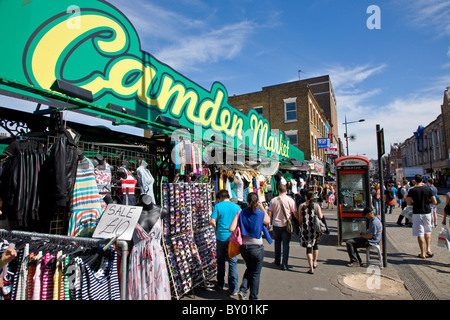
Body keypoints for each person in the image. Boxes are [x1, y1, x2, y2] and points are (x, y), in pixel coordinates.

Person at [229, 192, 271, 300]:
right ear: (257, 202)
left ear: (246, 201)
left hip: (244, 248)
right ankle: (253, 297)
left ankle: (243, 290)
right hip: (257, 247)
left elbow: (231, 228)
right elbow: (268, 221)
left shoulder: (241, 213)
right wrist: (262, 207)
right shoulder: (260, 213)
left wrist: (237, 216)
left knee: (250, 268)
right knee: (256, 273)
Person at [210, 190, 241, 295]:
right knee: (233, 263)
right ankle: (233, 288)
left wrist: (216, 227)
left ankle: (221, 283)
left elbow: (212, 221)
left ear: (219, 198)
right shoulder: (236, 207)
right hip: (233, 239)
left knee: (221, 261)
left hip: (221, 237)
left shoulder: (218, 207)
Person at [407, 174, 437, 259]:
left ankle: (422, 253)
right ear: (422, 180)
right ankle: (428, 249)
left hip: (417, 213)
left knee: (420, 233)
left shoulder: (412, 191)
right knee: (427, 231)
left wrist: (415, 203)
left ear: (415, 181)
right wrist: (428, 203)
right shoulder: (428, 189)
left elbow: (409, 203)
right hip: (427, 212)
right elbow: (434, 201)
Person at [267, 184, 297, 270]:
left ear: (278, 191)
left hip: (276, 225)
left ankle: (277, 261)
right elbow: (294, 212)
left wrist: (268, 224)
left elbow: (270, 213)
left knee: (277, 243)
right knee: (286, 244)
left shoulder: (273, 200)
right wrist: (299, 221)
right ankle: (284, 264)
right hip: (286, 225)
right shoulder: (290, 200)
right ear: (286, 191)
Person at [296, 190, 323, 274]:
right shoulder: (316, 205)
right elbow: (321, 216)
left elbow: (300, 219)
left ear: (306, 197)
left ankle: (311, 267)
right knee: (315, 245)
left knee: (308, 248)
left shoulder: (301, 206)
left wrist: (301, 226)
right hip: (315, 228)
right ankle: (315, 262)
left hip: (305, 229)